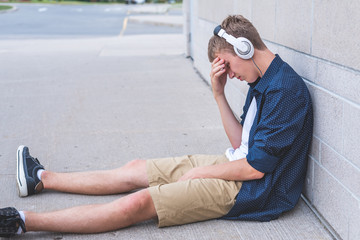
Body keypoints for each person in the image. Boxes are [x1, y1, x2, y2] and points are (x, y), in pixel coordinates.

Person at [0, 15, 313, 237]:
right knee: (138, 169)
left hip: (253, 191)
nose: (229, 74)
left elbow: (255, 169)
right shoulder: (263, 80)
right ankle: (40, 178)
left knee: (141, 202)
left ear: (243, 48)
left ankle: (21, 222)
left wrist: (199, 173)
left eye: (227, 65)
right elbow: (240, 146)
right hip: (238, 164)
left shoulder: (285, 90)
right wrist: (218, 94)